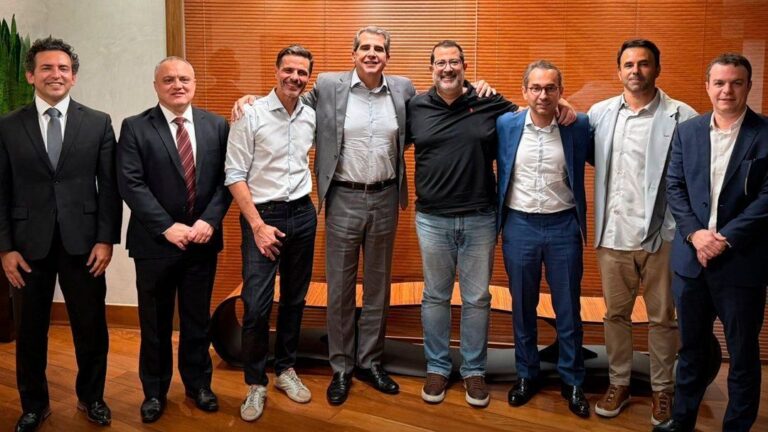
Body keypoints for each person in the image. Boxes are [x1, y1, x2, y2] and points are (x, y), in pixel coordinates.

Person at [408, 40, 576, 408]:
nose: (447, 68)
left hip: (480, 218)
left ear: (464, 66)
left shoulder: (488, 101)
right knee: (435, 296)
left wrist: (562, 103)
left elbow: (534, 111)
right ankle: (437, 367)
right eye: (440, 62)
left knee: (477, 298)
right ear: (431, 68)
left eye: (454, 62)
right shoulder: (415, 107)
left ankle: (473, 370)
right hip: (432, 219)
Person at [0, 36, 122, 431]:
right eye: (47, 68)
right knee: (29, 331)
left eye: (63, 68)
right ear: (30, 75)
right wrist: (4, 248)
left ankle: (92, 398)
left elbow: (110, 187)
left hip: (84, 244)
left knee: (91, 327)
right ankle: (34, 405)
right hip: (26, 247)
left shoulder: (98, 122)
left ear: (74, 77)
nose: (56, 74)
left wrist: (106, 239)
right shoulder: (7, 126)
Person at [588, 39, 697, 425]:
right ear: (618, 71)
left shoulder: (683, 115)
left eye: (644, 63)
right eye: (629, 64)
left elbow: (694, 177)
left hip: (661, 237)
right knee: (615, 315)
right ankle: (618, 383)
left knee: (662, 318)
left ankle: (662, 390)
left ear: (657, 69)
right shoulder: (599, 113)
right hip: (613, 236)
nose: (636, 70)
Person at [117, 56, 231, 423]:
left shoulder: (217, 126)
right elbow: (130, 183)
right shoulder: (135, 127)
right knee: (155, 323)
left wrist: (209, 221)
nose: (177, 85)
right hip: (155, 244)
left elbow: (228, 179)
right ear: (156, 86)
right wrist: (167, 226)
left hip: (202, 241)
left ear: (194, 84)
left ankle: (199, 385)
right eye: (169, 80)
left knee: (197, 319)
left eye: (184, 79)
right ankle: (154, 391)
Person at [658, 53, 768, 432]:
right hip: (691, 262)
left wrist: (726, 238)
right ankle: (682, 420)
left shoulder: (765, 133)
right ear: (707, 86)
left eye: (736, 83)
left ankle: (736, 426)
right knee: (691, 349)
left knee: (742, 354)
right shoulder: (687, 131)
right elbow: (674, 186)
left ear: (748, 86)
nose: (727, 90)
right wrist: (696, 234)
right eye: (719, 83)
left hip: (742, 263)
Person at [225, 45, 317, 422]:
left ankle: (285, 370)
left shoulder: (311, 113)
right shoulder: (250, 113)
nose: (295, 77)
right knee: (257, 305)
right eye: (288, 70)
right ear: (276, 71)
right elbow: (234, 174)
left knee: (295, 298)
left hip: (303, 214)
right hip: (262, 217)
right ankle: (255, 383)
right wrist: (258, 226)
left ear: (308, 77)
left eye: (302, 72)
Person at [497, 60, 591, 418]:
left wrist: (568, 108)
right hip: (519, 225)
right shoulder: (506, 124)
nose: (543, 94)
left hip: (563, 225)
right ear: (524, 91)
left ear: (560, 92)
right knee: (523, 306)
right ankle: (527, 374)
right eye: (535, 88)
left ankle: (573, 380)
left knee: (568, 307)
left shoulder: (577, 125)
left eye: (551, 88)